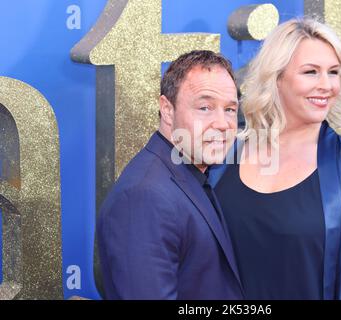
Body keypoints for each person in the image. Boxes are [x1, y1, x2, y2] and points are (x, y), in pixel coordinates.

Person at [212, 18, 341, 299]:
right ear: (276, 78)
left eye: (333, 72)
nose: (326, 85)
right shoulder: (224, 159)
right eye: (311, 72)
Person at [97, 50, 243, 299]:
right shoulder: (144, 197)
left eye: (230, 109)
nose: (222, 123)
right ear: (167, 109)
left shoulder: (190, 173)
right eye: (205, 107)